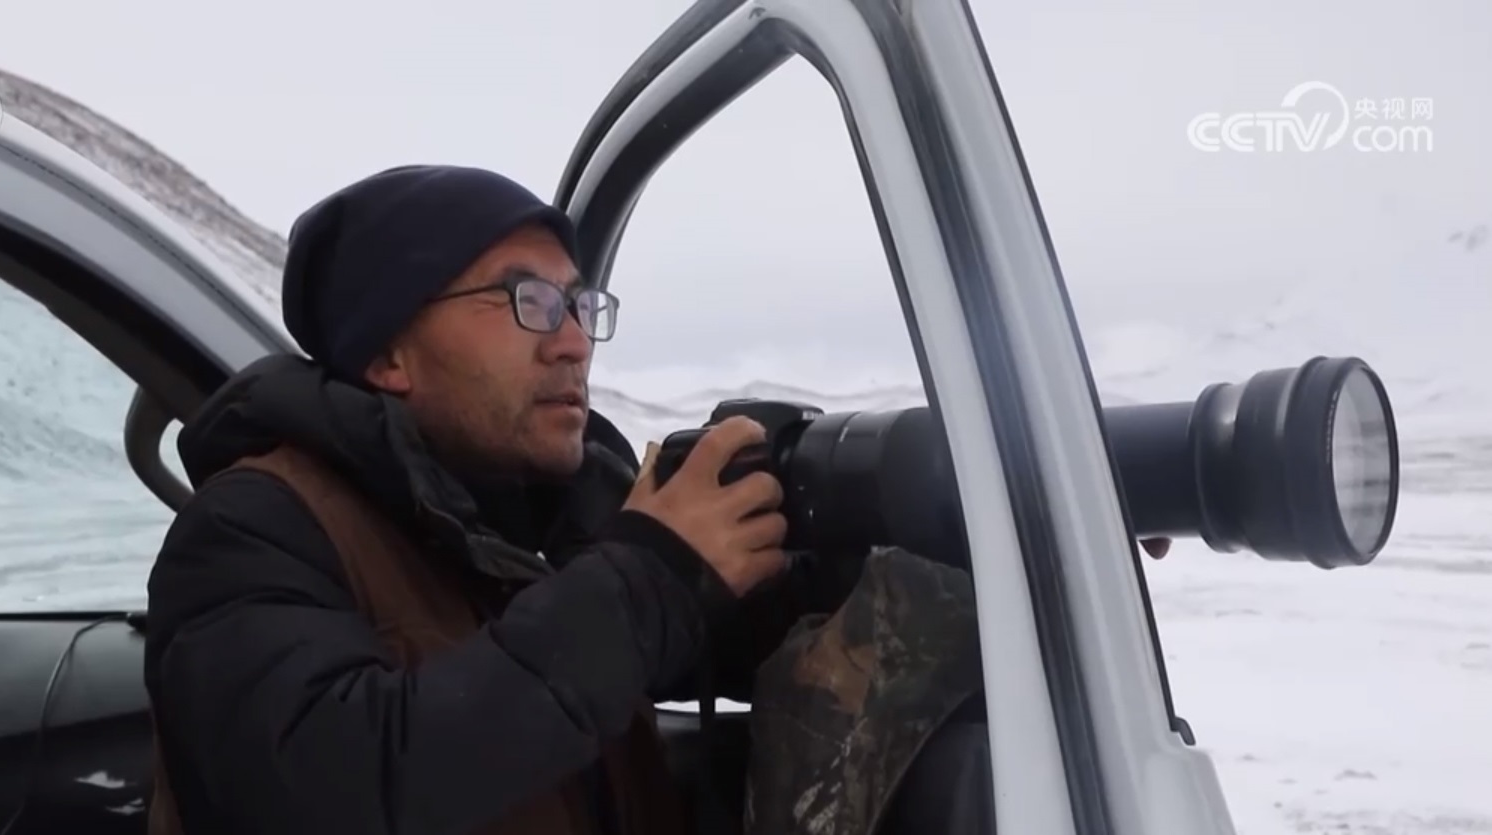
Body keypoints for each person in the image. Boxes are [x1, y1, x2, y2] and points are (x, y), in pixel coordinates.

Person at [140, 164, 1158, 835]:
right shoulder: (253, 529)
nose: (570, 339)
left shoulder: (554, 515)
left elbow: (772, 636)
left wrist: (1009, 530)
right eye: (524, 299)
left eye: (579, 302)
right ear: (387, 354)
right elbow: (336, 787)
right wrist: (651, 576)